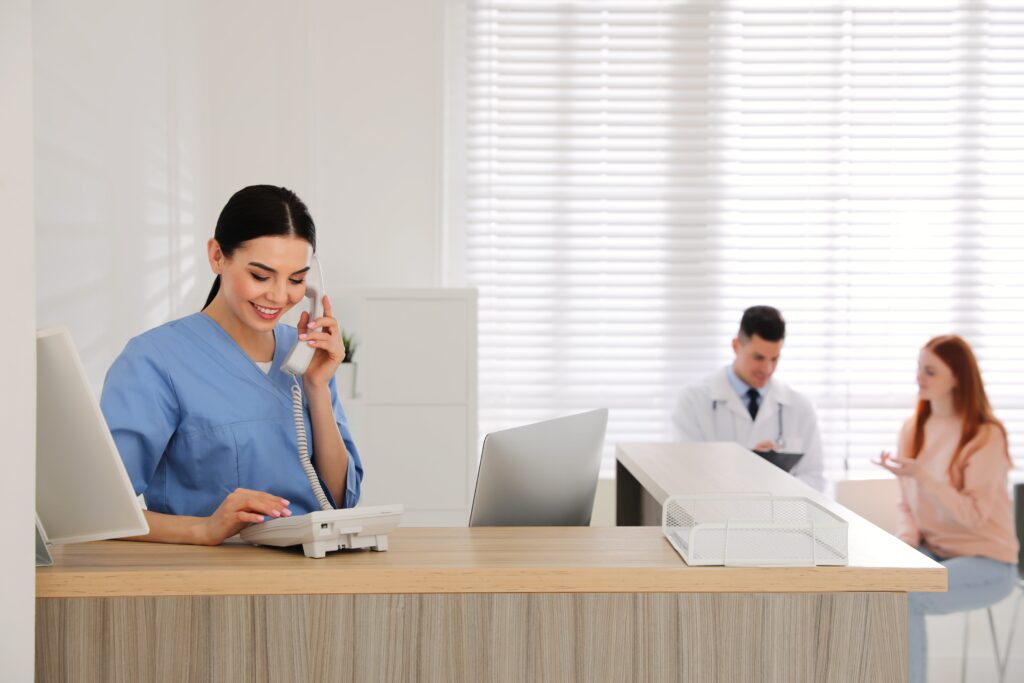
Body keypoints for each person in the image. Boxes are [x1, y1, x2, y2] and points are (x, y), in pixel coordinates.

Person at [100, 185, 363, 546]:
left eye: (297, 280)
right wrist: (203, 529)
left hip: (313, 574)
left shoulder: (306, 355)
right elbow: (103, 512)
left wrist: (317, 387)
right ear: (217, 256)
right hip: (211, 585)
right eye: (260, 275)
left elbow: (339, 500)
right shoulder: (154, 360)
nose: (278, 295)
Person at [875, 335, 1018, 683]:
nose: (919, 378)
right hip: (935, 553)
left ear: (957, 377)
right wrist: (905, 542)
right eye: (918, 368)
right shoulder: (913, 429)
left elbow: (972, 515)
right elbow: (906, 502)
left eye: (930, 371)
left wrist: (923, 475)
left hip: (988, 562)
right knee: (877, 586)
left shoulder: (985, 436)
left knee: (906, 598)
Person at [672, 305, 825, 491]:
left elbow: (815, 480)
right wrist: (748, 466)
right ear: (736, 346)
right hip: (716, 517)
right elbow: (688, 476)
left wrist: (775, 477)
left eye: (774, 358)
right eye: (758, 358)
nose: (767, 369)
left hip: (778, 518)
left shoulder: (799, 406)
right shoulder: (694, 401)